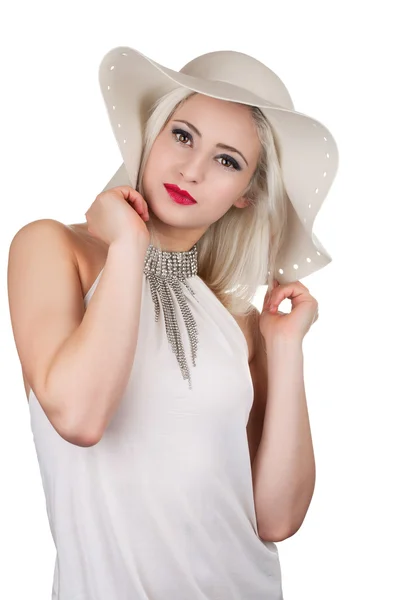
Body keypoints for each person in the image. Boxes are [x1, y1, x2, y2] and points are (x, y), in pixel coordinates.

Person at [7, 46, 338, 599]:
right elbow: (80, 417)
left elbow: (276, 518)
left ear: (246, 196)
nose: (192, 168)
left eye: (227, 160)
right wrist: (129, 244)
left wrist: (284, 351)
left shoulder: (240, 322)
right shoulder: (50, 248)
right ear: (151, 136)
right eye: (183, 136)